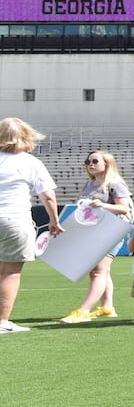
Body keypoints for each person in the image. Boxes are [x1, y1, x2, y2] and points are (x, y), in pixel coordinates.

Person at [0, 118, 62, 333]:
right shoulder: (29, 162)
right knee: (10, 272)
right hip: (14, 218)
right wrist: (54, 221)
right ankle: (2, 321)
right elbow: (48, 195)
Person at [59, 149, 132, 324]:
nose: (90, 165)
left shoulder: (115, 184)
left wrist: (102, 205)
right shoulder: (89, 184)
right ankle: (107, 307)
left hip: (111, 230)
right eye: (88, 162)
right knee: (102, 271)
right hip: (93, 232)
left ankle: (84, 311)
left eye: (94, 161)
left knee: (97, 271)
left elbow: (124, 209)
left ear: (107, 163)